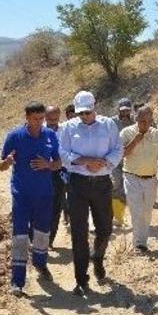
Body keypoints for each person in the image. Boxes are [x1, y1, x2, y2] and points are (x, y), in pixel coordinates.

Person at [58, 91, 123, 296]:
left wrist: (104, 163)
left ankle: (98, 259)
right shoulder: (67, 128)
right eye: (81, 113)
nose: (84, 116)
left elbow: (118, 149)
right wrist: (84, 161)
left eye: (87, 112)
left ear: (95, 107)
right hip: (77, 184)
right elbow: (62, 153)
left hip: (102, 183)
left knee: (104, 229)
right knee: (79, 232)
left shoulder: (108, 125)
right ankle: (81, 278)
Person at [0, 102, 61, 297]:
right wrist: (7, 162)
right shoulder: (14, 136)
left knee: (42, 233)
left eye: (42, 118)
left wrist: (48, 164)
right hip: (22, 194)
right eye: (36, 119)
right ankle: (17, 281)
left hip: (44, 194)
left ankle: (41, 265)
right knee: (20, 235)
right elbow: (1, 165)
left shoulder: (50, 136)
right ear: (27, 117)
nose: (40, 122)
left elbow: (59, 163)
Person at [119, 105, 158, 253]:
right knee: (136, 210)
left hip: (150, 179)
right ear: (136, 119)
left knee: (147, 212)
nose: (144, 124)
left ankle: (143, 240)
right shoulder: (126, 133)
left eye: (147, 121)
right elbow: (121, 154)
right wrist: (135, 141)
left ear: (151, 120)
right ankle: (138, 243)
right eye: (141, 121)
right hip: (131, 177)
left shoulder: (156, 134)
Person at [44, 105, 68, 247]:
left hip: (60, 173)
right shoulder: (39, 131)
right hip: (42, 172)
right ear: (45, 118)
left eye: (55, 119)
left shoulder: (66, 131)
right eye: (50, 119)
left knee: (56, 207)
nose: (53, 122)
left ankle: (49, 240)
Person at [110, 98, 135, 226]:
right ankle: (115, 216)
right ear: (118, 110)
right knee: (116, 185)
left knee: (127, 189)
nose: (125, 113)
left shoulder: (134, 122)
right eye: (123, 111)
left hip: (130, 159)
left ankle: (118, 215)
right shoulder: (111, 122)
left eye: (127, 111)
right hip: (115, 160)